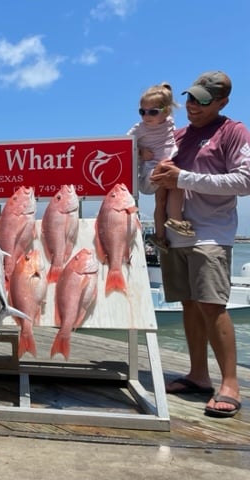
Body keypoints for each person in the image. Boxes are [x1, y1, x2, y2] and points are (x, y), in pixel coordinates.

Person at [149, 71, 250, 418]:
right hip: (177, 234)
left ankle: (230, 385)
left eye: (202, 101)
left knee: (212, 305)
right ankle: (198, 375)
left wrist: (184, 177)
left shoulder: (232, 131)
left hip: (211, 234)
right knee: (189, 304)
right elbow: (158, 177)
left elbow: (245, 180)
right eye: (190, 98)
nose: (193, 106)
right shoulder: (179, 135)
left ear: (222, 102)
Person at [130, 82, 193, 254]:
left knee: (165, 199)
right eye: (142, 112)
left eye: (152, 112)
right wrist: (141, 151)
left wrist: (166, 91)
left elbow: (169, 104)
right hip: (151, 171)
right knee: (167, 176)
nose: (146, 116)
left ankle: (163, 234)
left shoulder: (169, 122)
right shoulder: (140, 128)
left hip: (167, 168)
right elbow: (124, 145)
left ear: (165, 111)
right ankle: (173, 221)